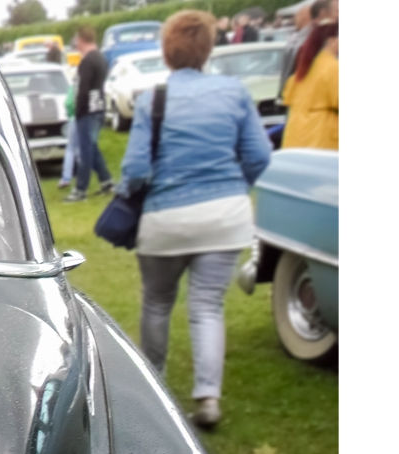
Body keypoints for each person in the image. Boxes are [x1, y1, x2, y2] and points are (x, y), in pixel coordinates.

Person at [118, 10, 271, 430]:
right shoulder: (234, 92)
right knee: (207, 307)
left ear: (167, 52)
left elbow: (134, 170)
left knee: (157, 302)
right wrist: (232, 187)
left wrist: (128, 196)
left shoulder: (154, 99)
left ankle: (155, 388)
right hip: (225, 217)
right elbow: (259, 156)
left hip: (165, 220)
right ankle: (208, 397)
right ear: (208, 49)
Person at [63, 26, 113, 203]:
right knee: (92, 147)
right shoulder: (101, 58)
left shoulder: (87, 62)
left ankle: (80, 190)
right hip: (99, 106)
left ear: (81, 40)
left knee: (85, 151)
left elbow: (83, 89)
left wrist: (77, 110)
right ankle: (106, 181)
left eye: (76, 39)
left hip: (87, 110)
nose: (75, 43)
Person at [281, 18, 338, 149]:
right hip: (321, 136)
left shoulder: (305, 66)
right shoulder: (333, 67)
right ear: (331, 41)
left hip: (295, 134)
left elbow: (287, 97)